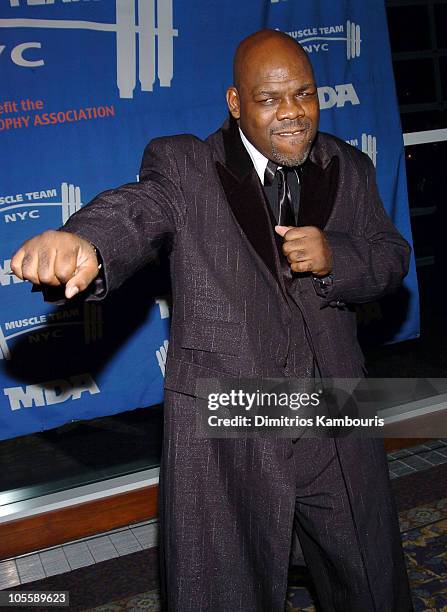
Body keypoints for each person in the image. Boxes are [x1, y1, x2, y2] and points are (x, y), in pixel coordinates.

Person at [11, 29, 413, 612]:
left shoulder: (348, 166)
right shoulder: (185, 165)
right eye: (271, 99)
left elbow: (389, 256)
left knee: (368, 574)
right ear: (235, 102)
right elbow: (137, 210)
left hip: (332, 412)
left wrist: (336, 257)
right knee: (225, 588)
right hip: (235, 417)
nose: (293, 113)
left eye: (304, 94)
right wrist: (85, 241)